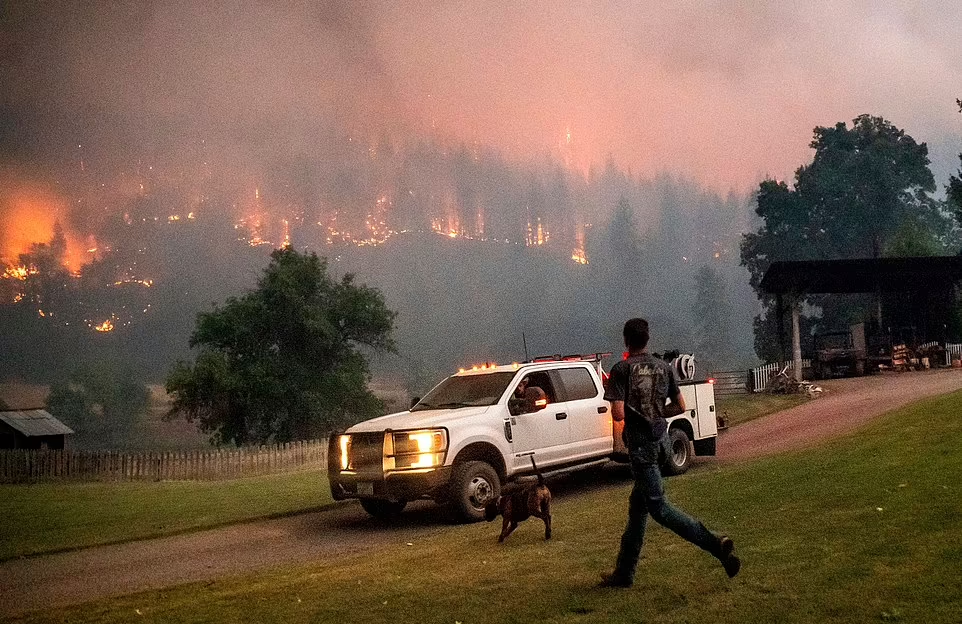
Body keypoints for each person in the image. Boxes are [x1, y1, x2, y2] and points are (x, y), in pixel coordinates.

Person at [599, 318, 740, 588]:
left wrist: (635, 415)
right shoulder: (664, 367)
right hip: (662, 442)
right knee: (637, 510)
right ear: (647, 339)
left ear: (626, 340)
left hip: (641, 449)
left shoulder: (621, 369)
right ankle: (624, 574)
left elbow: (618, 414)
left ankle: (715, 544)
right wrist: (655, 413)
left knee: (660, 509)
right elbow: (681, 405)